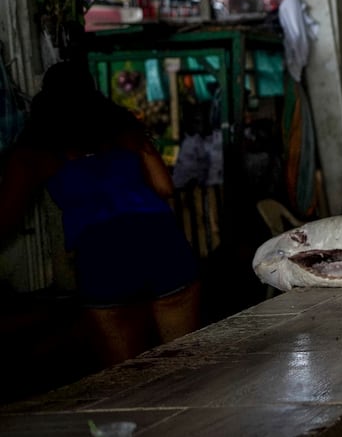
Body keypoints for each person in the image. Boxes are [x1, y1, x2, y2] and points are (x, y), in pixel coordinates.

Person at [0, 59, 203, 367]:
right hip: (162, 242)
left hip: (103, 256)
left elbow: (5, 219)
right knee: (187, 367)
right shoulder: (124, 131)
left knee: (128, 381)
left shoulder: (34, 150)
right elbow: (164, 187)